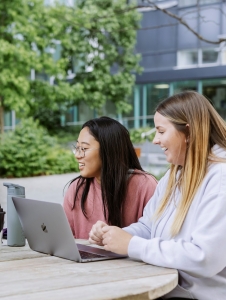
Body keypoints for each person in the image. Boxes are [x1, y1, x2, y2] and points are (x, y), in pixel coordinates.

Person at [90, 91, 226, 299]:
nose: (155, 140)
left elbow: (204, 257)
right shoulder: (175, 174)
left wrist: (132, 245)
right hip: (170, 289)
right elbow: (148, 226)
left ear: (188, 132)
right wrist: (114, 235)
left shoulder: (220, 178)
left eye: (161, 131)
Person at [63, 117, 157, 239]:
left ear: (108, 150)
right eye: (77, 148)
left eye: (84, 149)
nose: (77, 155)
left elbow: (156, 236)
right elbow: (65, 241)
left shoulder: (146, 186)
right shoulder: (77, 188)